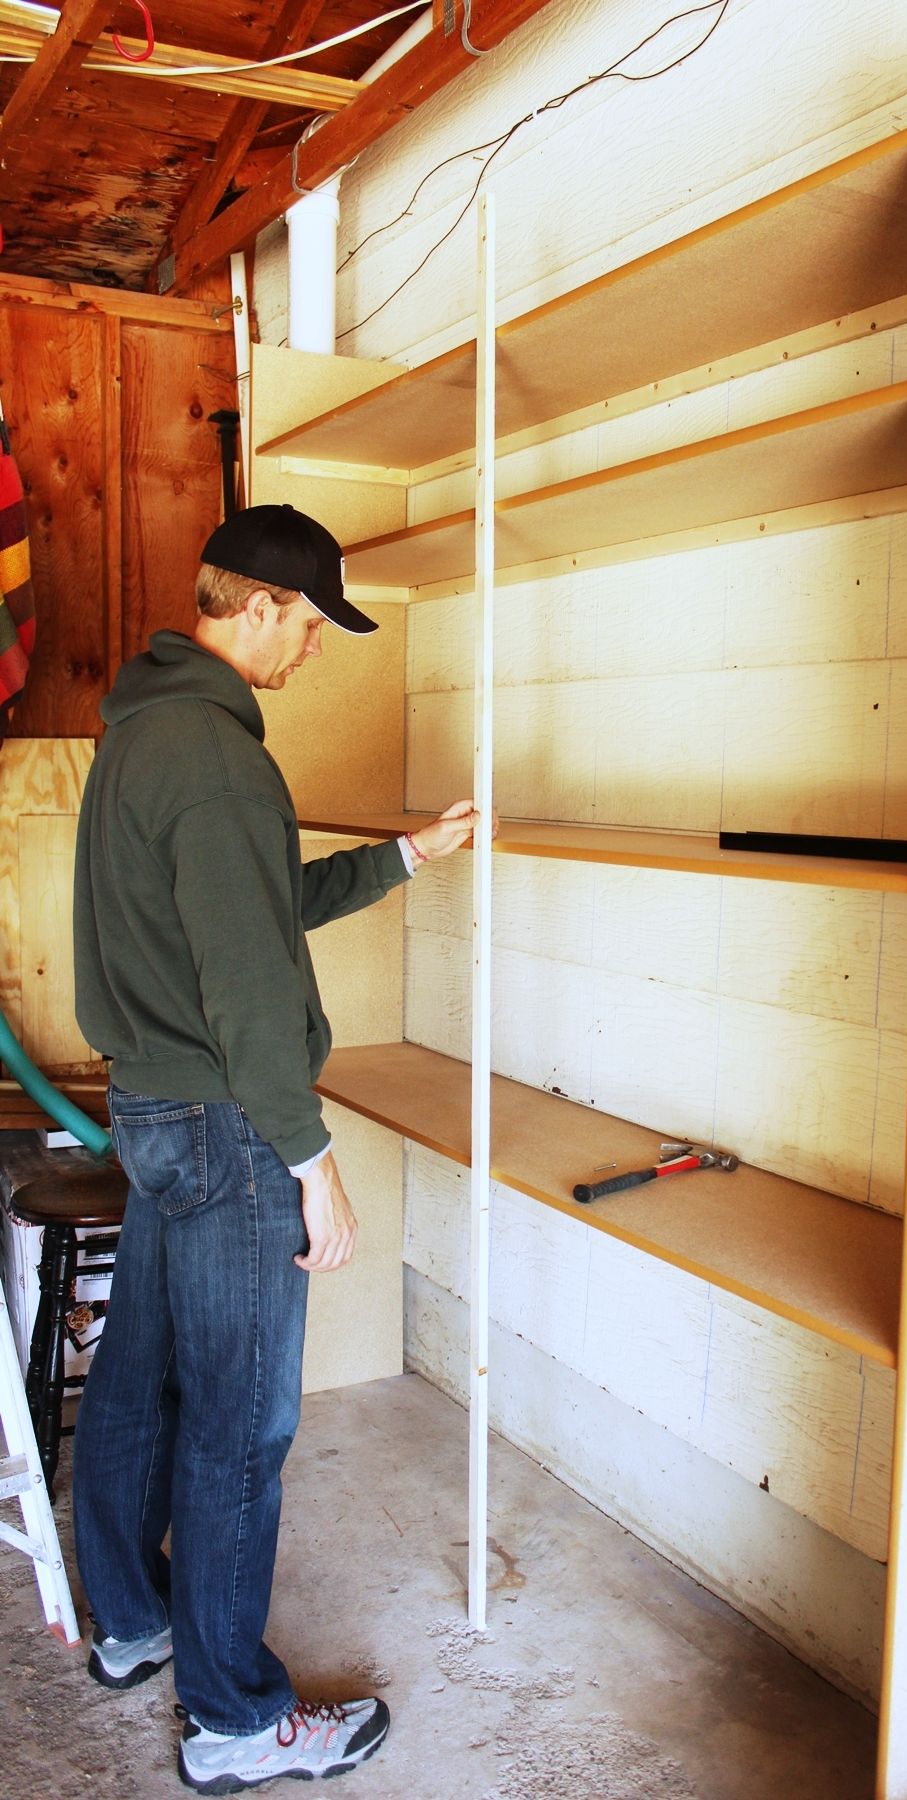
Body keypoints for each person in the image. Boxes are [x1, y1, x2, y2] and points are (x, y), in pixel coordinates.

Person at [71, 503, 483, 1794]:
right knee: (241, 1427)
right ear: (254, 605)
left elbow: (249, 906)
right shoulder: (217, 758)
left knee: (137, 1383)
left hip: (156, 1110)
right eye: (309, 623)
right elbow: (250, 992)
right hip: (225, 1122)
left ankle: (133, 1623)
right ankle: (238, 1723)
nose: (313, 649)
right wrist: (313, 1166)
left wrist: (402, 857)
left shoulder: (148, 730)